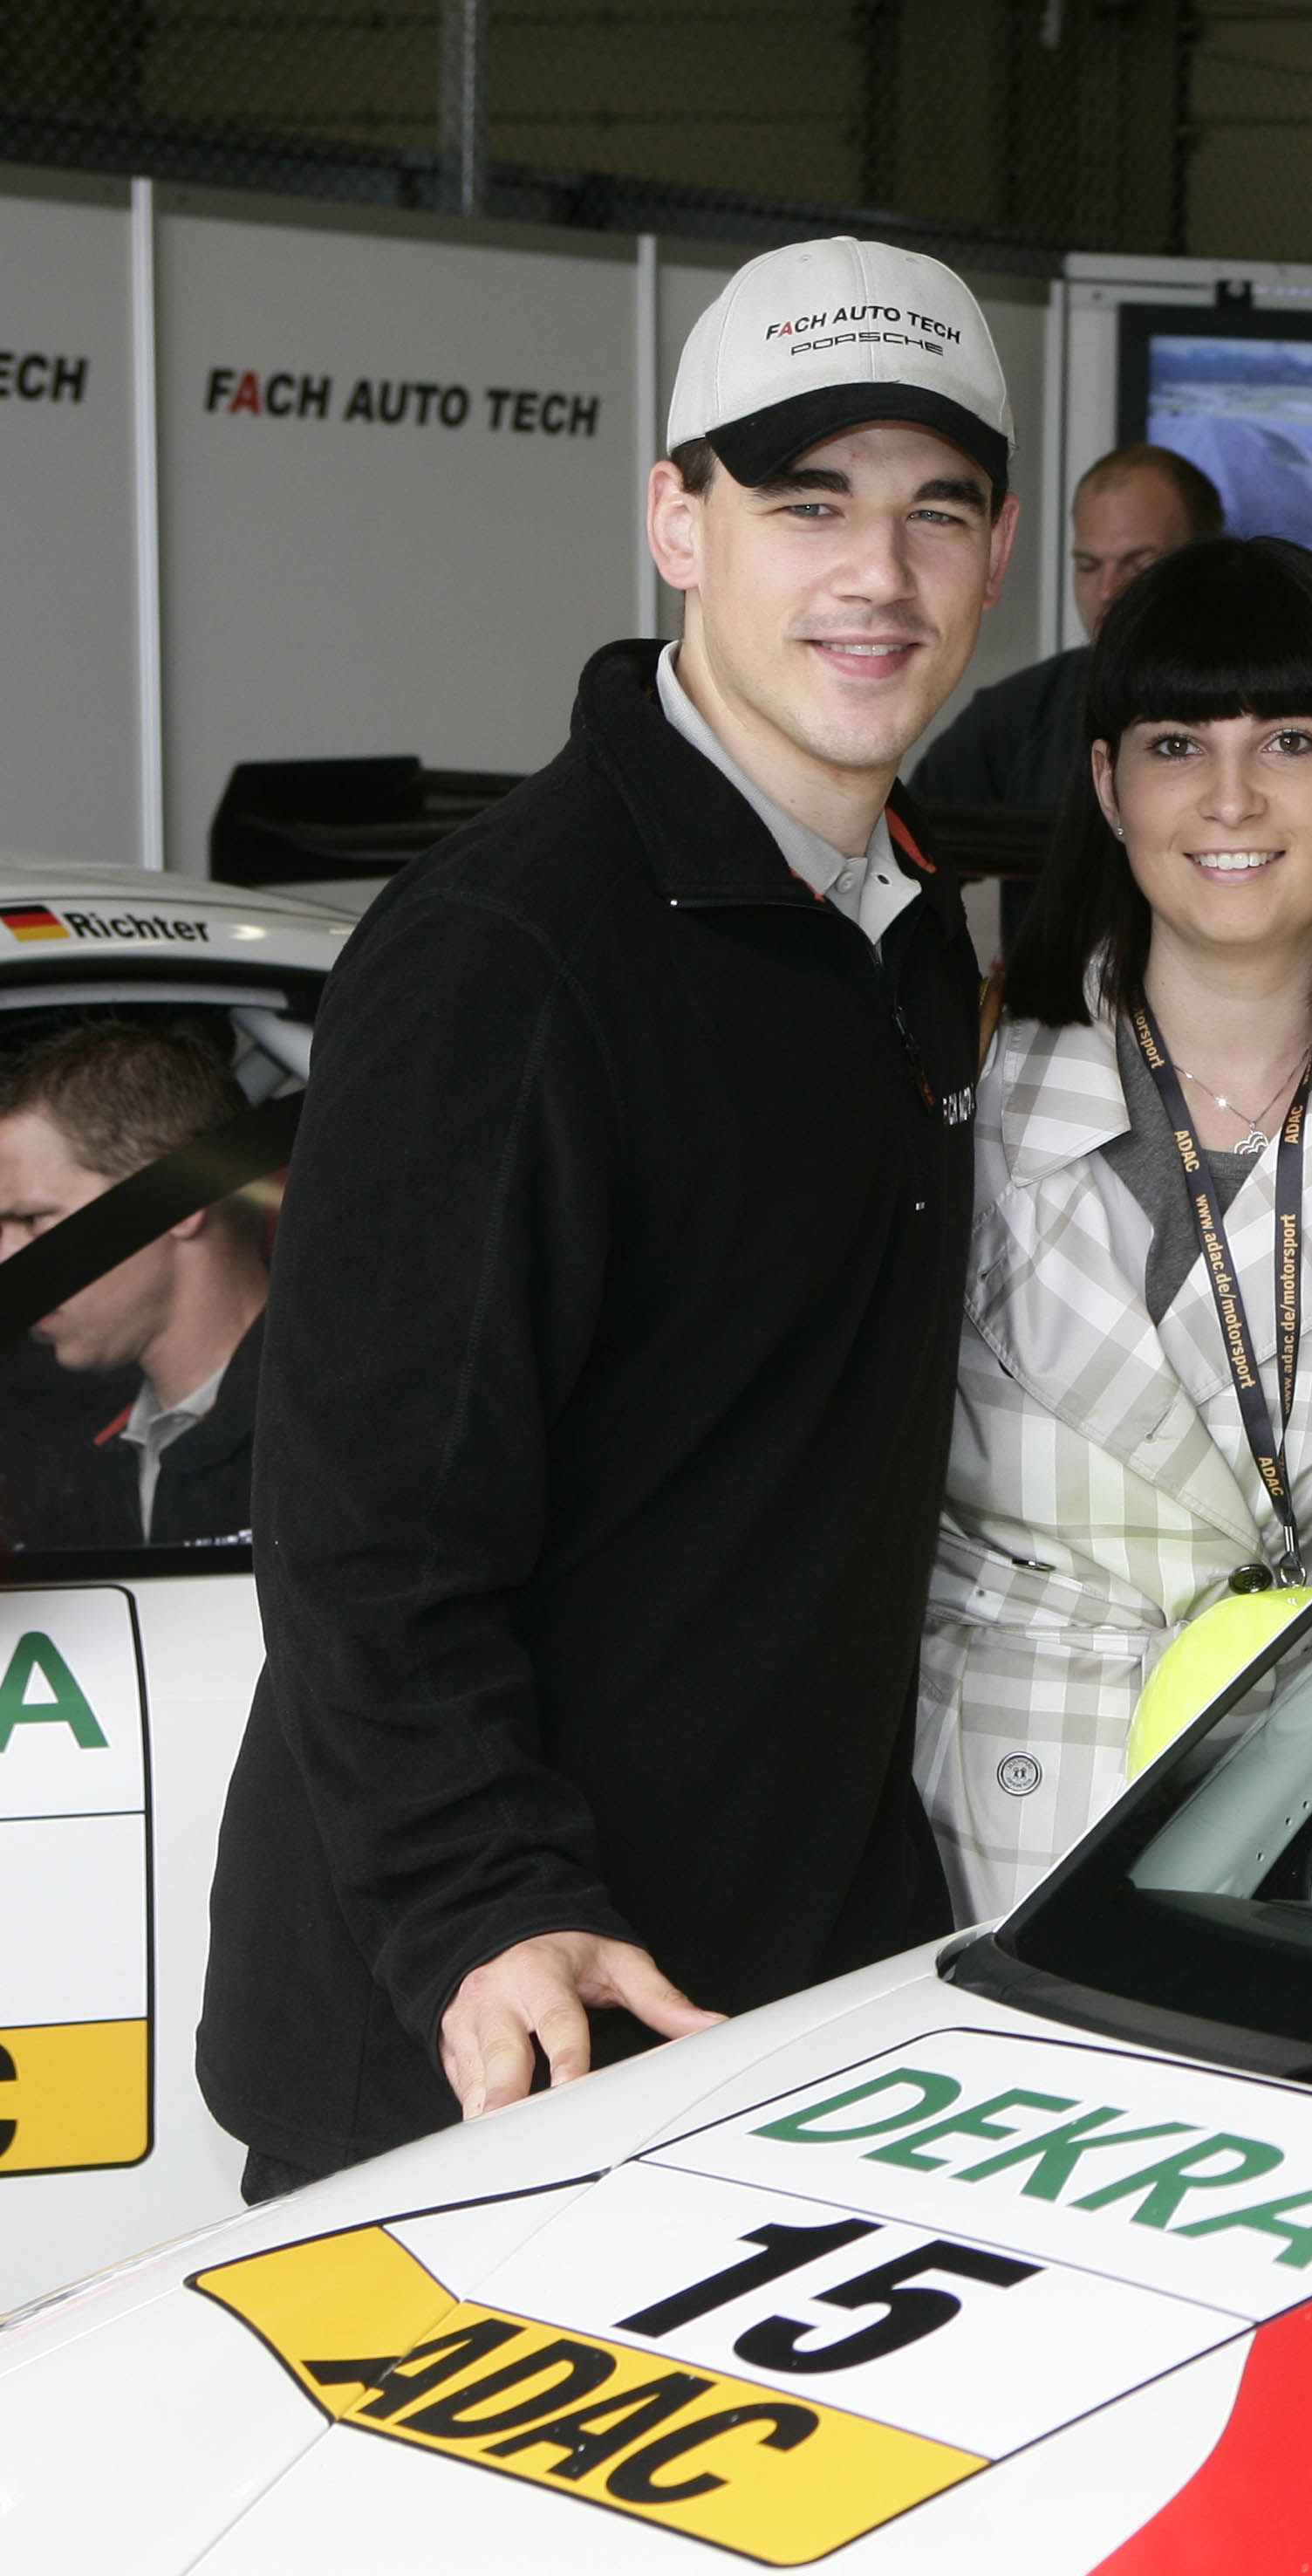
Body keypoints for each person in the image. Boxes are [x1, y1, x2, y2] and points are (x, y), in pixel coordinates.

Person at [201, 235, 1022, 2194]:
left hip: (777, 2002)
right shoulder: (510, 952)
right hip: (495, 2030)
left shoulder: (901, 933)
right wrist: (481, 1902)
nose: (878, 574)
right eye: (806, 502)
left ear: (997, 559)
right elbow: (367, 1526)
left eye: (934, 512)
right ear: (675, 521)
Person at [918, 536, 1312, 1913]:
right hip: (996, 1814)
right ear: (1107, 786)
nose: (1229, 798)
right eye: (1175, 746)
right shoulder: (970, 1089)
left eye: (1288, 741)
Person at [0, 1020, 268, 1547]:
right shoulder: (58, 1444)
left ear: (178, 1203)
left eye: (32, 1219)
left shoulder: (345, 1435)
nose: (7, 1257)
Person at [912, 442, 1226, 808]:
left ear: (1209, 565)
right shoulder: (1013, 719)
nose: (1107, 591)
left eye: (1139, 565)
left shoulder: (1267, 701)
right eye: (1088, 566)